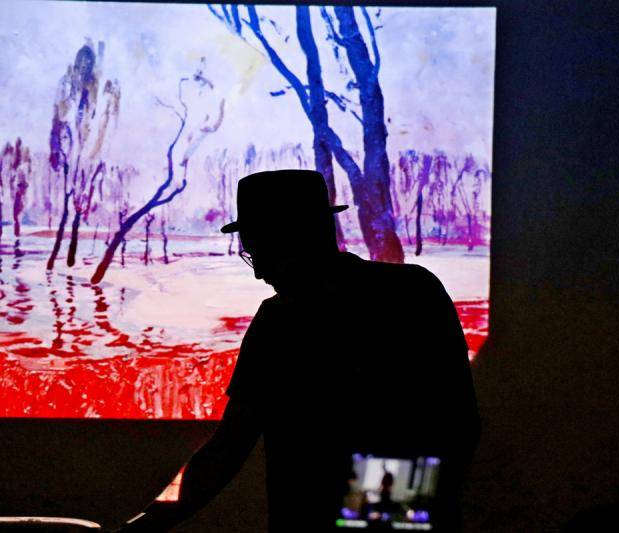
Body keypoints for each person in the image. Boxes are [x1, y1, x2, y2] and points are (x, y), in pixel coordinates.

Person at [117, 169, 480, 532]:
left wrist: (149, 522)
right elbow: (458, 423)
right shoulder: (414, 292)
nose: (259, 273)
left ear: (299, 238)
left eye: (262, 253)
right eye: (251, 255)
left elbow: (227, 448)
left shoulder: (279, 322)